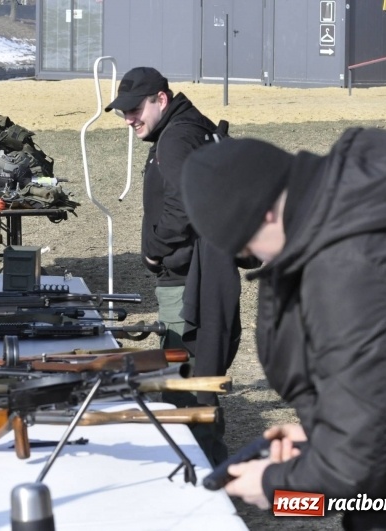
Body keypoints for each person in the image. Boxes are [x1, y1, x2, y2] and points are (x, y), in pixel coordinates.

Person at [180, 132, 386, 530]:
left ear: (265, 212)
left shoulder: (348, 270)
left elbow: (357, 471)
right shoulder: (359, 209)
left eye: (248, 249)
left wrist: (273, 488)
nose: (256, 260)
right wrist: (322, 428)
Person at [105, 66, 249, 465]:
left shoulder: (176, 138)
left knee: (185, 389)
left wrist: (153, 249)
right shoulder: (190, 128)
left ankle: (206, 480)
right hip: (205, 275)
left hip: (190, 282)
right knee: (197, 381)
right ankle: (208, 469)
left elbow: (183, 203)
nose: (129, 118)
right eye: (123, 112)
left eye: (135, 109)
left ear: (161, 100)